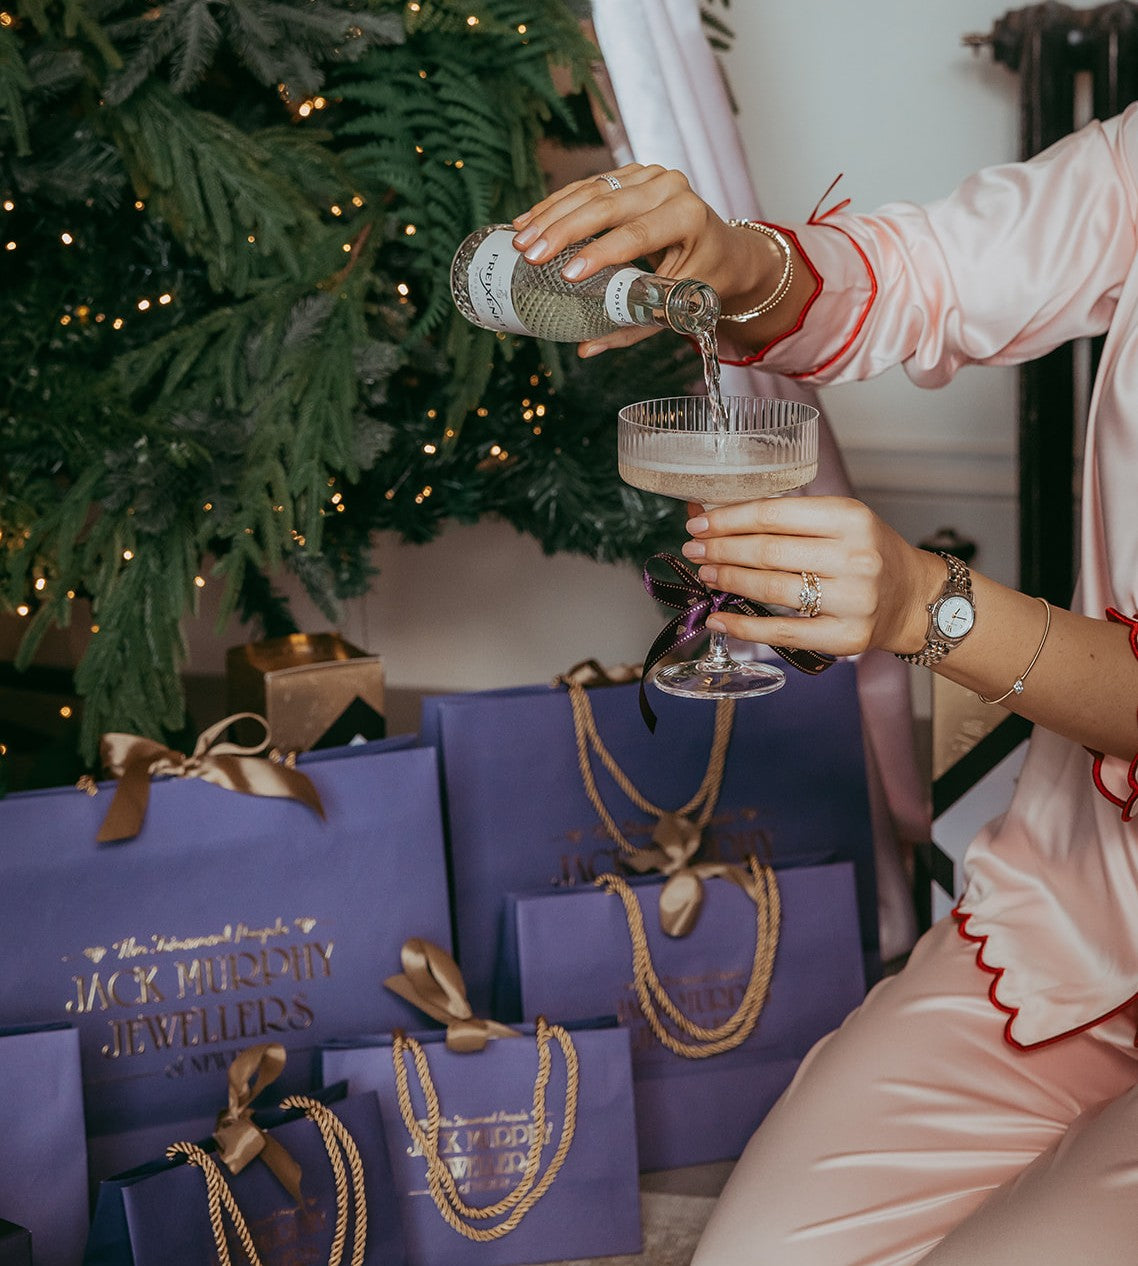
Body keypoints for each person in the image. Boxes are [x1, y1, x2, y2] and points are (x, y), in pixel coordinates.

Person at [512, 106, 1138, 1264]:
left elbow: (941, 615)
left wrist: (927, 609)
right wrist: (737, 262)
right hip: (1083, 929)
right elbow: (925, 274)